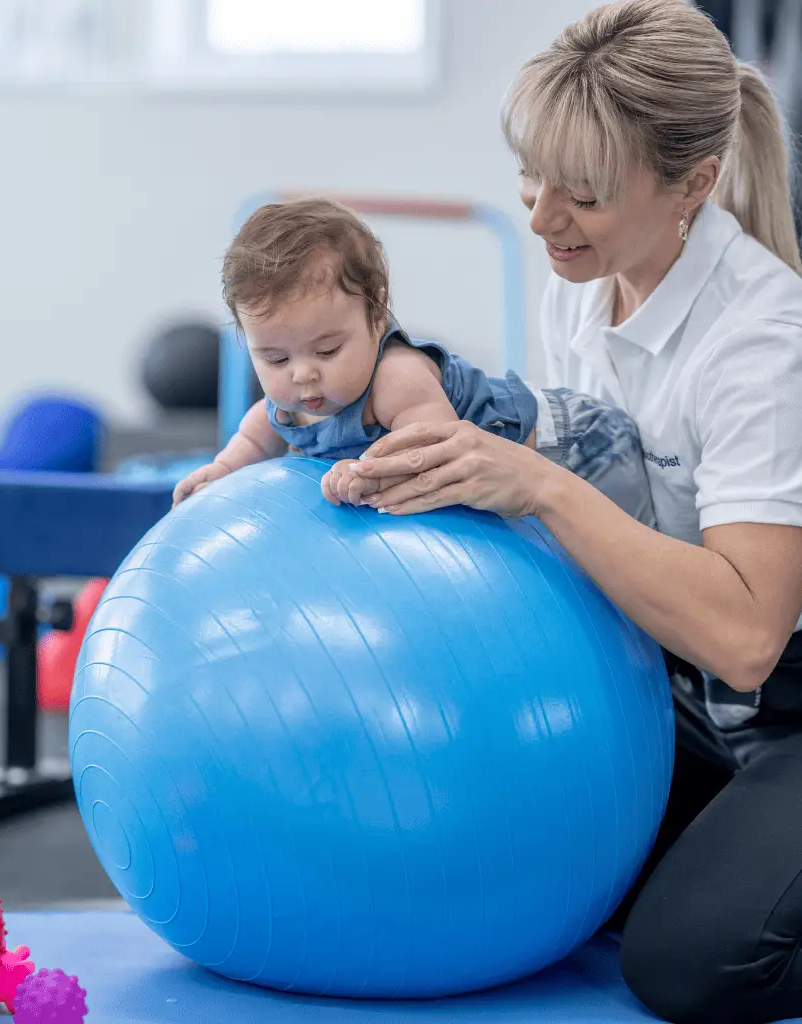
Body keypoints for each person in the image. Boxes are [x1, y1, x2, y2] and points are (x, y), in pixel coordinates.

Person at [349, 2, 802, 1022]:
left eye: (583, 193)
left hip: (776, 700)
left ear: (692, 183)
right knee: (516, 856)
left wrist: (536, 481)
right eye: (531, 176)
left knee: (688, 964)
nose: (541, 217)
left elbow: (744, 639)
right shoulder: (582, 286)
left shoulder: (763, 341)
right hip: (682, 691)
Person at [170, 197, 548, 508]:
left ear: (376, 312)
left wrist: (369, 472)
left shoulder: (397, 380)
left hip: (559, 441)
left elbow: (438, 453)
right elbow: (253, 444)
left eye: (328, 350)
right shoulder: (284, 407)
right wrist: (219, 473)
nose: (302, 374)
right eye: (276, 359)